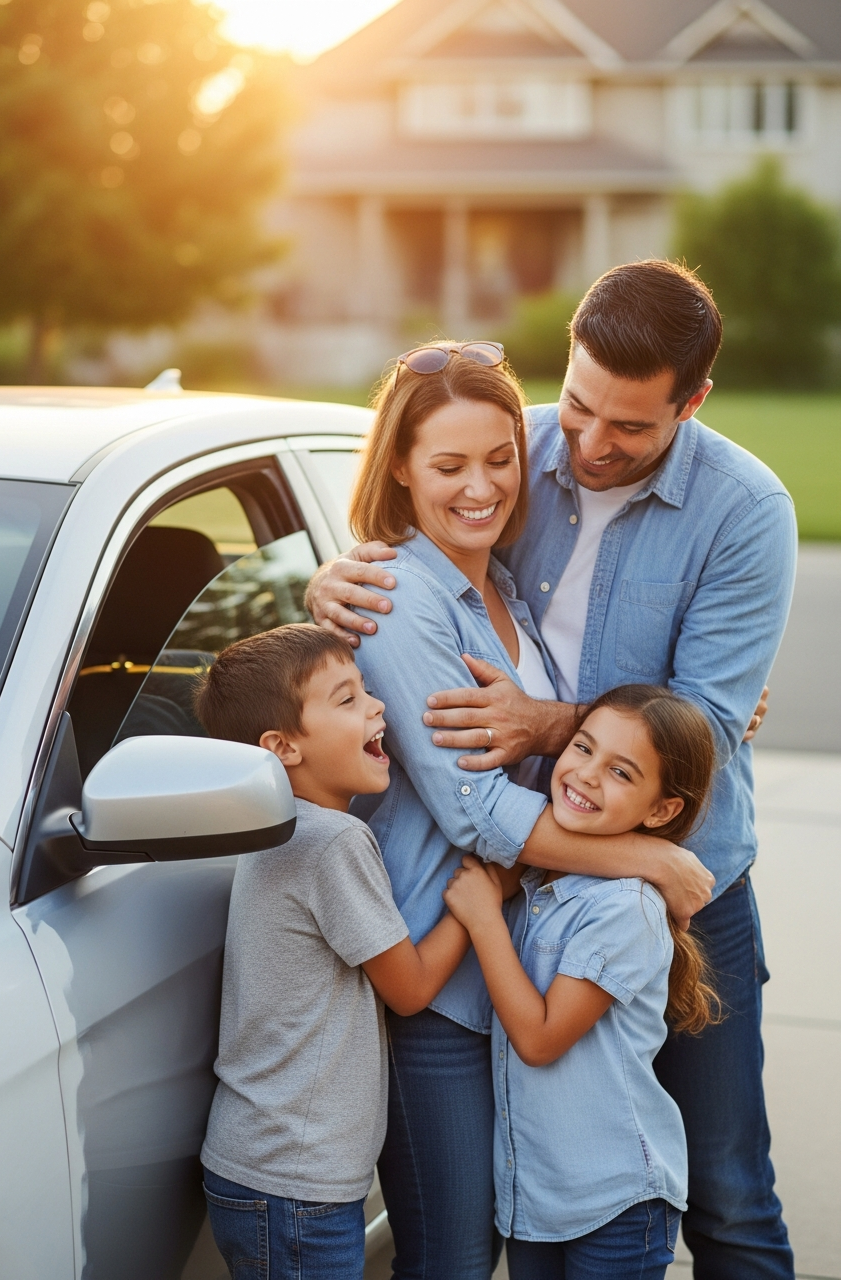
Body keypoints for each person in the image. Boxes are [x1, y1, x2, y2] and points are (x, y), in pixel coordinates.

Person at [308, 260, 797, 1278]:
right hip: (522, 904)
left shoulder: (745, 509)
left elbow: (700, 722)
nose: (584, 443)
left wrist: (547, 725)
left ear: (690, 401)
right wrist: (333, 575)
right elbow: (410, 547)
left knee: (725, 1191)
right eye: (575, 405)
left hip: (681, 884)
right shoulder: (508, 444)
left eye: (628, 427)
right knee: (541, 1205)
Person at [195, 624, 473, 1280]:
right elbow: (407, 987)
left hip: (270, 1172)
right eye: (347, 700)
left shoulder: (282, 831)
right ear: (282, 746)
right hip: (296, 1187)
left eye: (369, 690)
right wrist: (476, 903)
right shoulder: (331, 843)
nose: (378, 707)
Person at [444, 684, 722, 1280]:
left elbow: (540, 1040)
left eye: (621, 772)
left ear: (661, 810)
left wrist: (485, 919)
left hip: (614, 1199)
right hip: (538, 1197)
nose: (587, 775)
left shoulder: (625, 907)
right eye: (581, 747)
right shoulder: (541, 879)